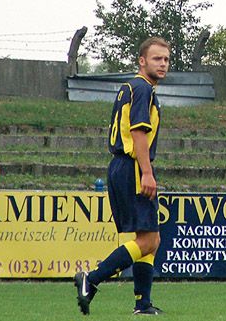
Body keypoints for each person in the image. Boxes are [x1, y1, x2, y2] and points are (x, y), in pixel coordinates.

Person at [74, 37, 170, 316]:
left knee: (151, 238)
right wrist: (147, 173)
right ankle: (91, 279)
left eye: (166, 59)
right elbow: (138, 132)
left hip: (123, 165)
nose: (163, 64)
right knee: (148, 241)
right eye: (156, 58)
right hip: (132, 166)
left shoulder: (131, 87)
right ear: (142, 61)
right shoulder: (142, 88)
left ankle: (143, 303)